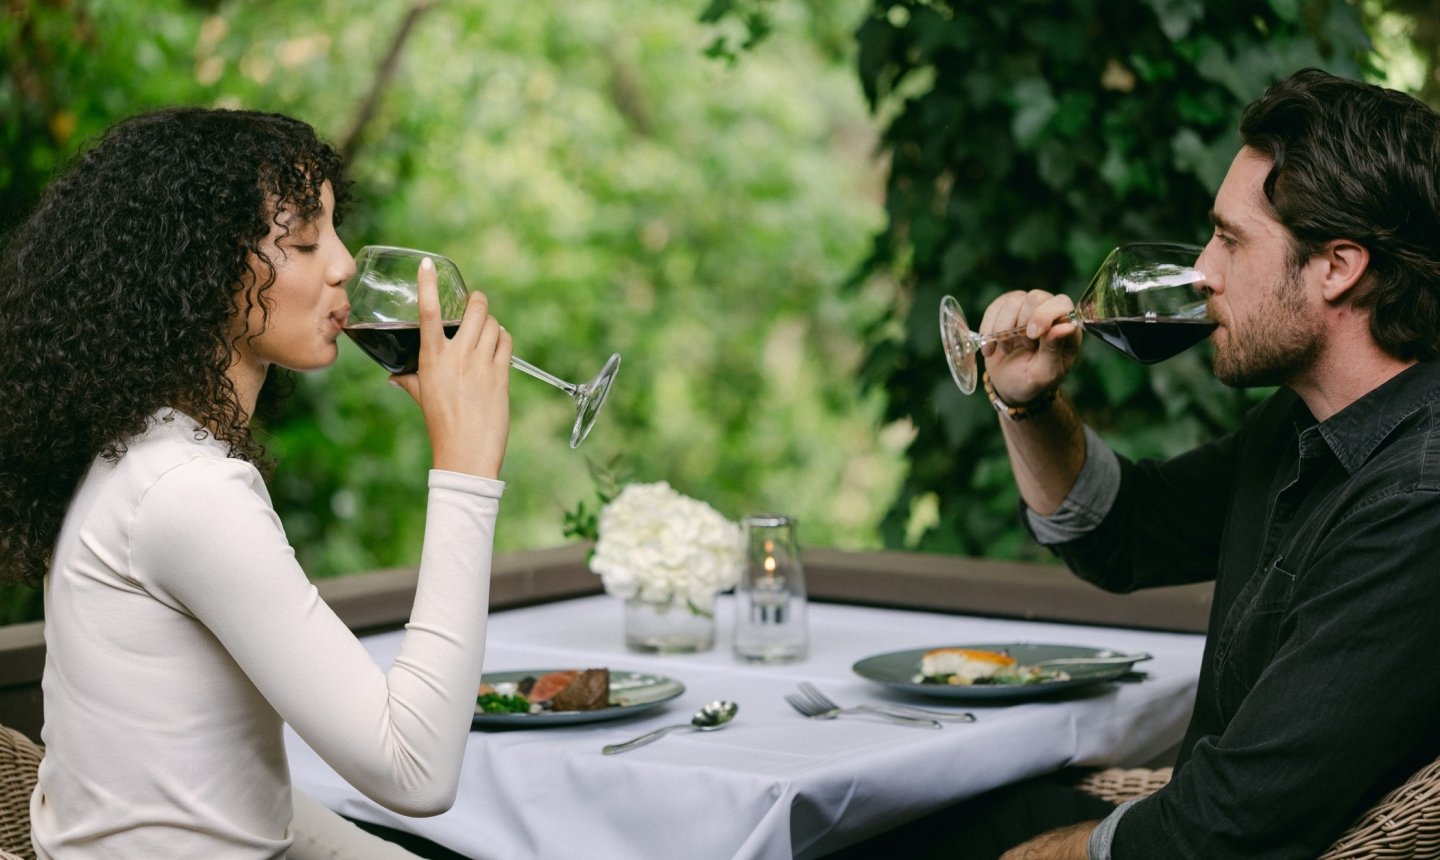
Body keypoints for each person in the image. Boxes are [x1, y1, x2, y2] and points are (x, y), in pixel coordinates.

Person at [0, 107, 512, 858]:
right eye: (302, 239)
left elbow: (208, 791)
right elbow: (417, 769)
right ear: (198, 269)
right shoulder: (184, 492)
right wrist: (466, 468)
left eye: (333, 229)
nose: (342, 264)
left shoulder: (148, 450)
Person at [971, 67, 1440, 857]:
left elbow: (1223, 829)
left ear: (1338, 267)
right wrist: (1029, 405)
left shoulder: (1418, 499)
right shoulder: (1305, 423)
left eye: (1230, 239)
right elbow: (1121, 533)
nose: (1203, 272)